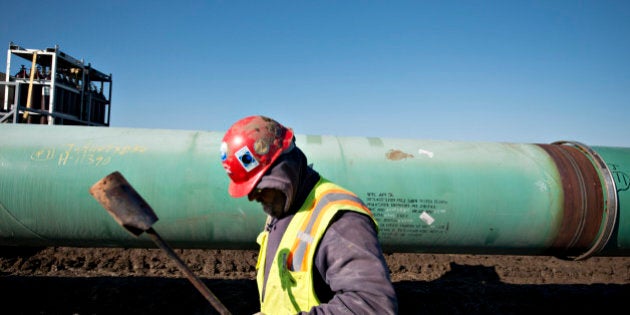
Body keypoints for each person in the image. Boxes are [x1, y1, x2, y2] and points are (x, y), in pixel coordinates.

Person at [220, 115, 398, 314]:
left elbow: (373, 306)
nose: (253, 197)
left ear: (283, 170)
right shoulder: (283, 208)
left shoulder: (339, 220)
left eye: (259, 187)